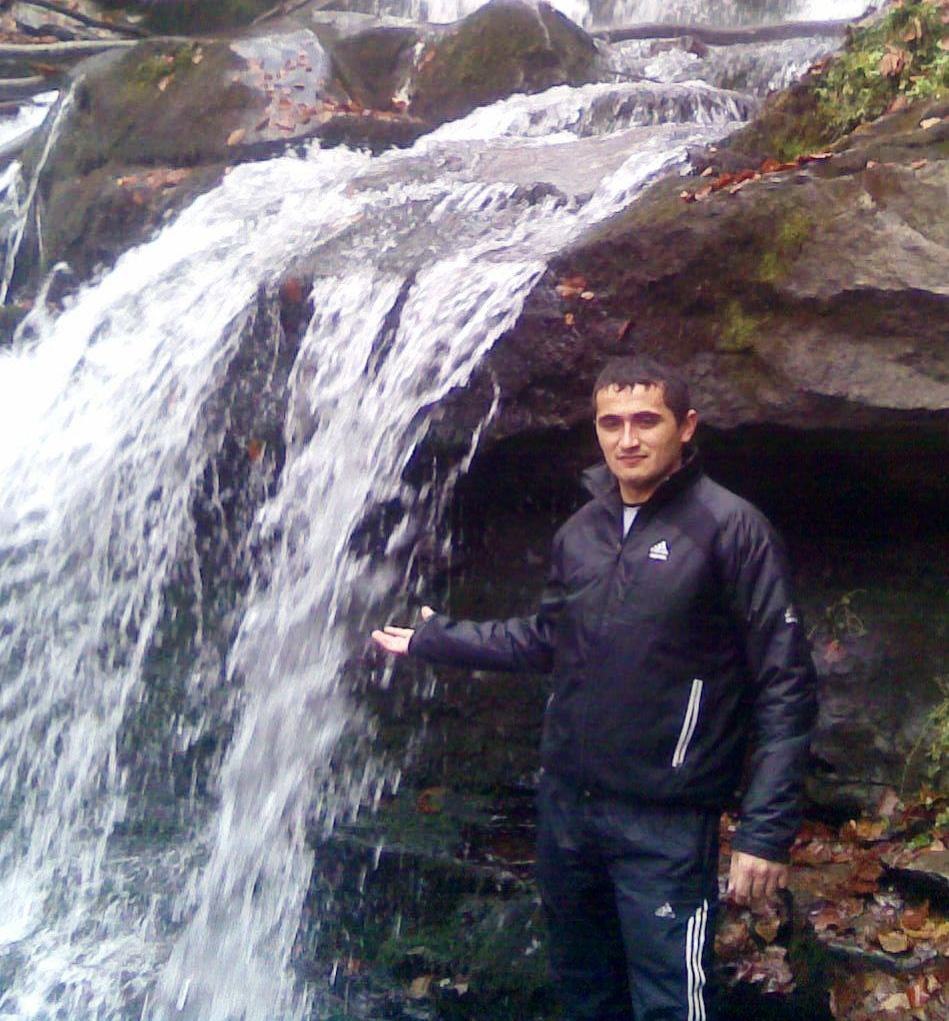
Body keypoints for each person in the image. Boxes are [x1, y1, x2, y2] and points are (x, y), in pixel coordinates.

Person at [372, 355, 816, 1021]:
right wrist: (437, 639)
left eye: (646, 421)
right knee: (585, 992)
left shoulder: (731, 530)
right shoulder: (580, 534)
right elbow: (546, 640)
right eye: (611, 423)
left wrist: (765, 830)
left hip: (663, 820)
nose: (627, 439)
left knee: (671, 1002)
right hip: (567, 811)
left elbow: (785, 683)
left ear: (685, 426)